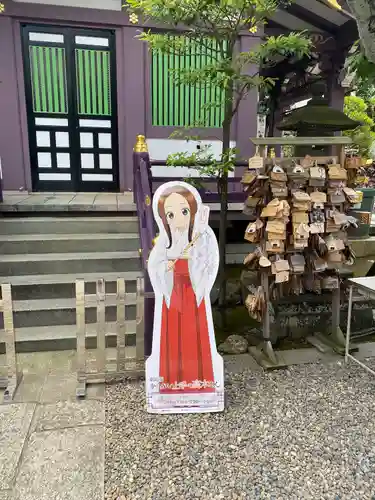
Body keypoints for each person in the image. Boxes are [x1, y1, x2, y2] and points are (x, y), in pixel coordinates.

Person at [146, 181, 223, 411]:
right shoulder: (163, 242)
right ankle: (171, 385)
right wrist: (169, 262)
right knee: (172, 338)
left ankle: (200, 386)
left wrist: (194, 258)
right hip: (173, 297)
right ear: (164, 219)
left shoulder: (200, 236)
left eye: (183, 211)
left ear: (192, 212)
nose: (177, 218)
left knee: (195, 336)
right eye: (170, 214)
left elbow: (209, 263)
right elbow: (156, 267)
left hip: (192, 294)